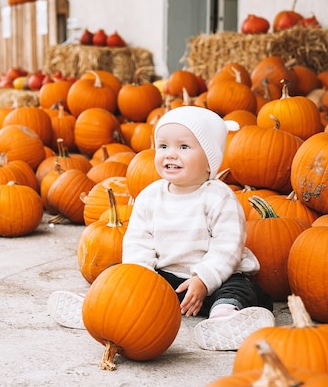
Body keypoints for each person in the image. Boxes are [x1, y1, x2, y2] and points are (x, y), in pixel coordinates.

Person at [48, 105, 275, 351]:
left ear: (210, 162)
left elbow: (228, 246)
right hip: (167, 282)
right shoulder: (150, 196)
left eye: (183, 147)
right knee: (118, 271)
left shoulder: (219, 197)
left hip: (214, 280)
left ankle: (225, 317)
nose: (170, 154)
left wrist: (204, 280)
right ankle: (99, 304)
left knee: (242, 287)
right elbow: (138, 241)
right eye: (163, 146)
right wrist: (140, 278)